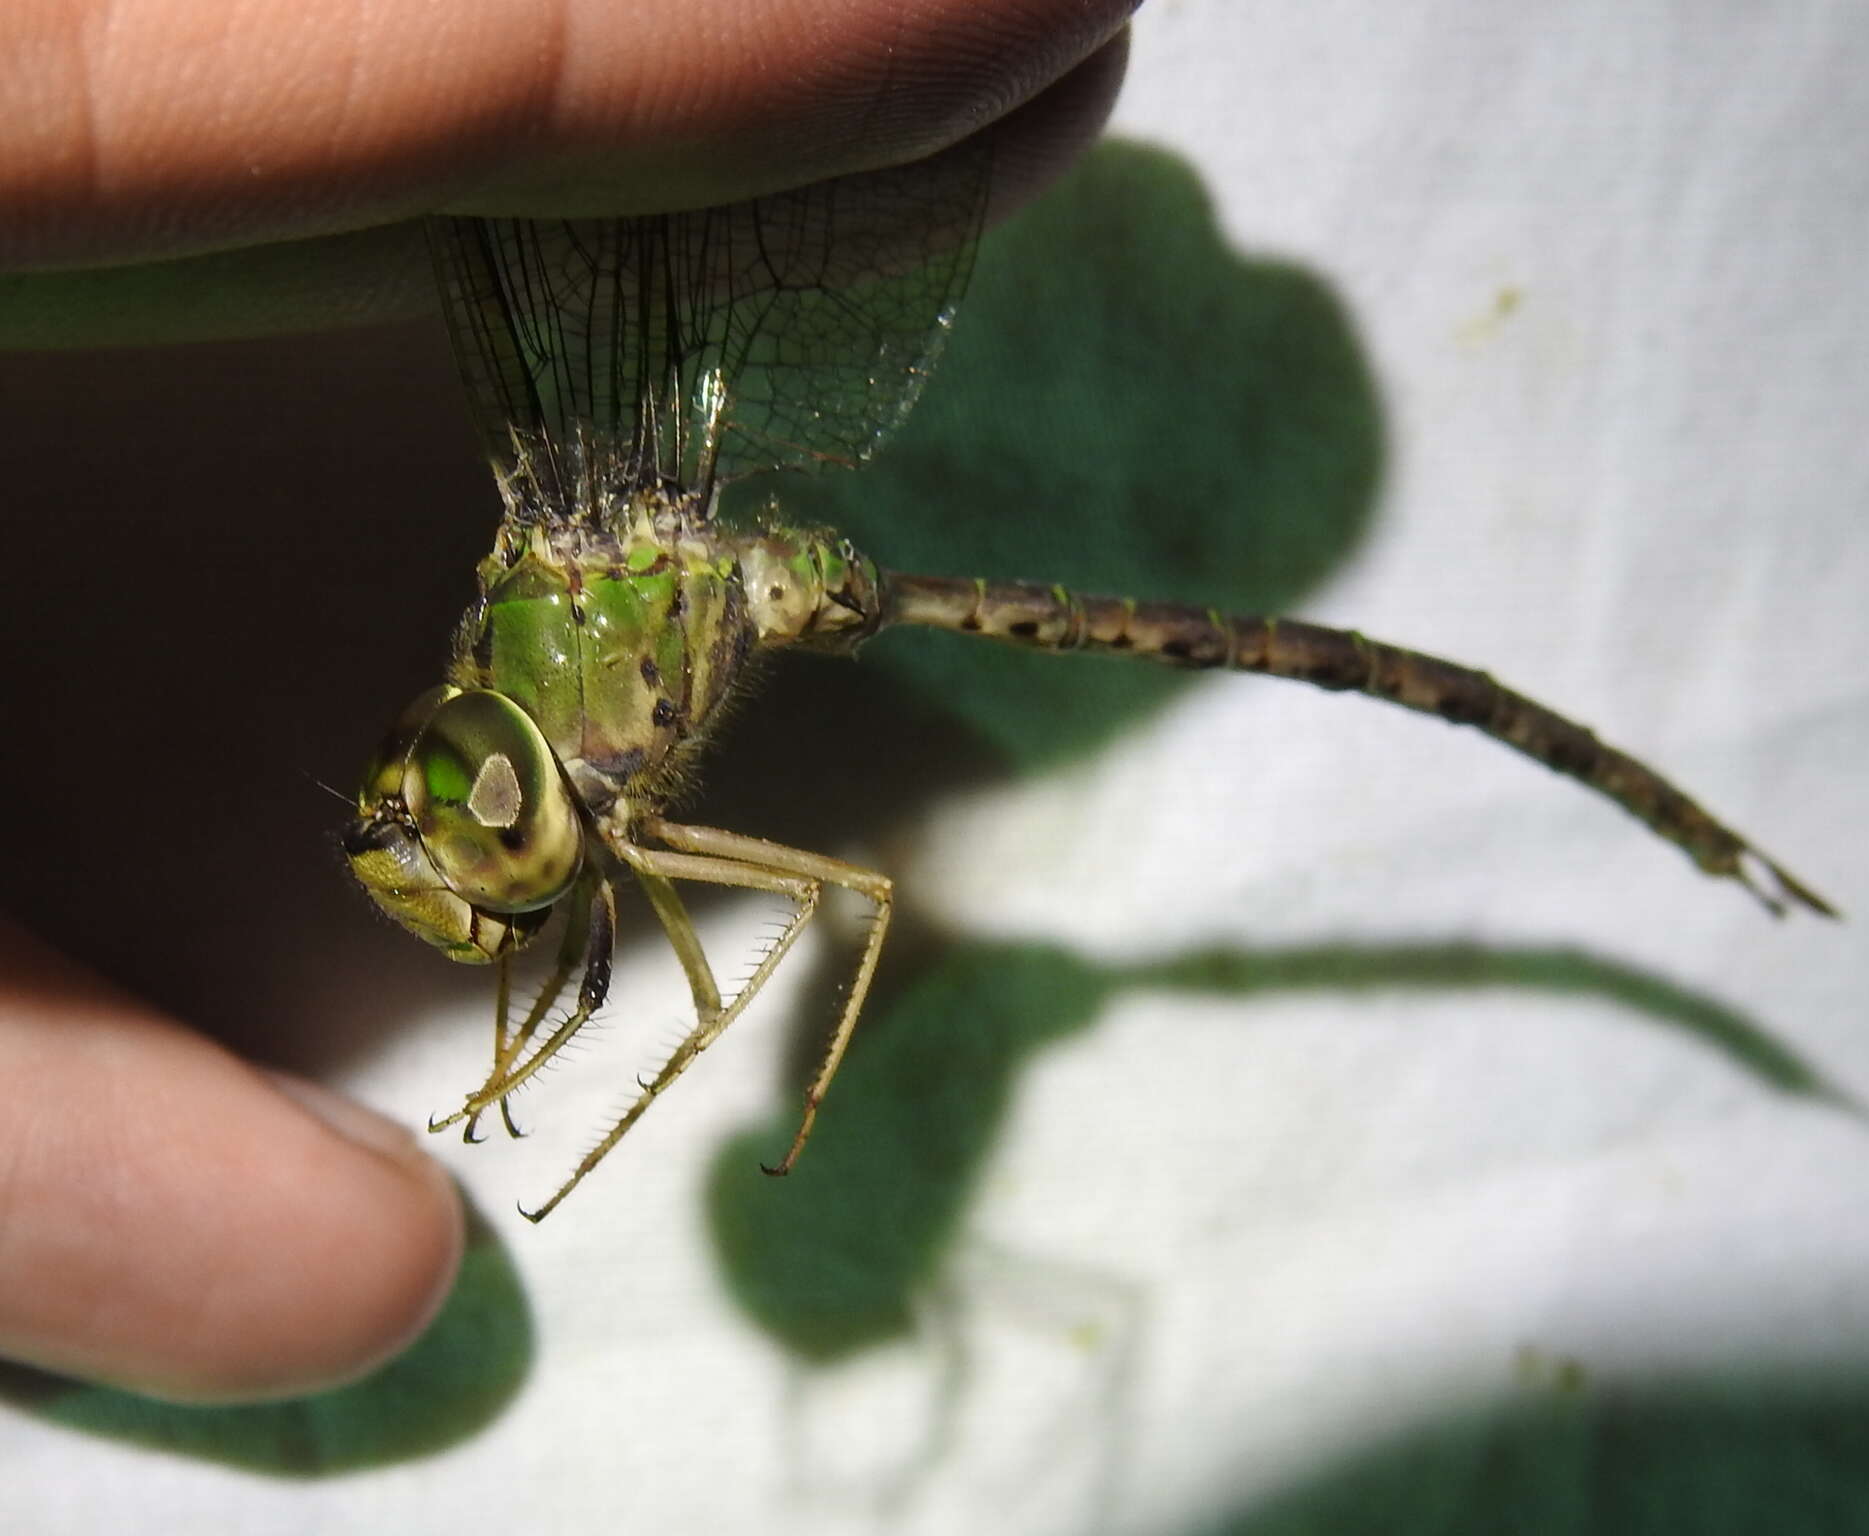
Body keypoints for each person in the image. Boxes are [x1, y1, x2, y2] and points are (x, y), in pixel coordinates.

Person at [0, 0, 1128, 1402]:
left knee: (805, 915)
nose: (421, 823)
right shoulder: (569, 765)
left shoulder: (583, 752)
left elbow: (743, 950)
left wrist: (615, 1093)